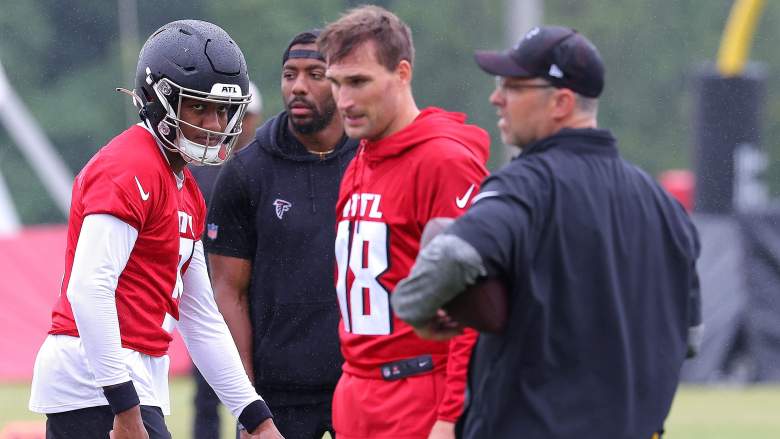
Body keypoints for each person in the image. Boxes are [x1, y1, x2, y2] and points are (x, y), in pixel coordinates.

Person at [392, 26, 702, 439]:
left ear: (561, 102)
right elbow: (691, 337)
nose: (496, 97)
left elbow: (452, 257)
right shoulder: (663, 205)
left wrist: (419, 310)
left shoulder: (524, 184)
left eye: (513, 86)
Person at [28, 20, 283, 439]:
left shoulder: (185, 187)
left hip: (128, 379)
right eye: (197, 107)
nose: (214, 124)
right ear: (157, 99)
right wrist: (124, 406)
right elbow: (89, 287)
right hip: (95, 383)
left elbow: (201, 317)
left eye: (222, 110)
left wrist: (256, 418)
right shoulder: (131, 166)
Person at [318, 6, 490, 439]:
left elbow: (473, 308)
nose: (344, 101)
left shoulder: (444, 161)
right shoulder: (362, 156)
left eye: (358, 81)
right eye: (336, 83)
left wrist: (450, 417)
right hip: (357, 391)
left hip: (416, 393)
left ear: (402, 72)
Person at [205, 29, 358, 439]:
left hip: (361, 386)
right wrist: (248, 403)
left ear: (341, 81)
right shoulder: (246, 173)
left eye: (315, 74)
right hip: (277, 398)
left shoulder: (374, 159)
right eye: (290, 75)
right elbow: (227, 292)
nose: (299, 87)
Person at [189, 81, 263, 439]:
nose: (238, 125)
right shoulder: (198, 171)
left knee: (251, 392)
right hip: (207, 297)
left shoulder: (264, 171)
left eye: (244, 116)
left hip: (252, 299)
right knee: (207, 394)